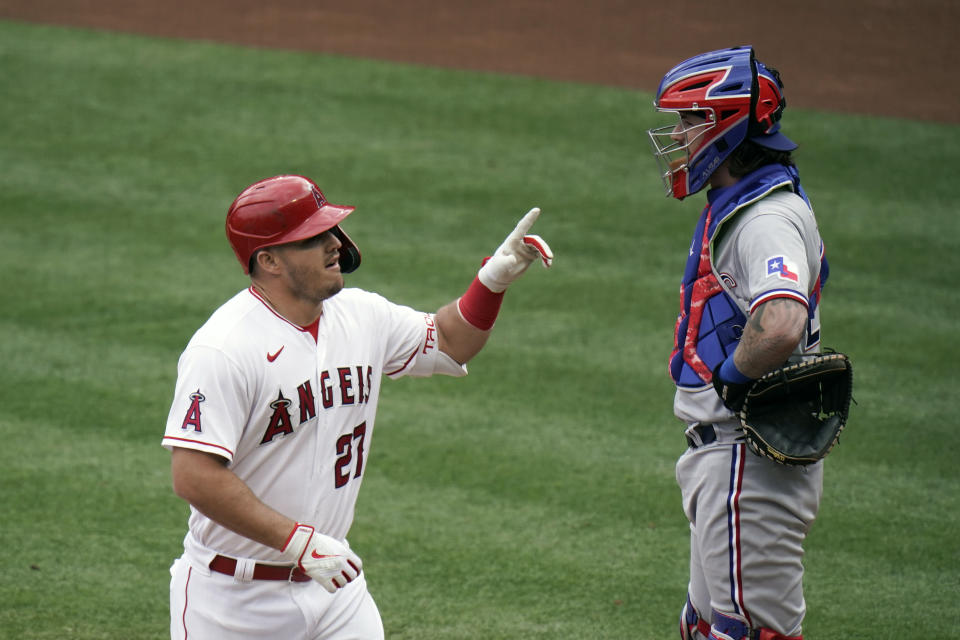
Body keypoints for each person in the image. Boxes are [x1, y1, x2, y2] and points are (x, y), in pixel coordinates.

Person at [162, 174, 552, 639]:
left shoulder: (361, 315)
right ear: (268, 261)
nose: (334, 244)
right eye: (313, 238)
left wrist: (492, 279)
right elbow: (193, 474)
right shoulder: (225, 348)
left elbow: (449, 340)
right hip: (232, 601)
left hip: (335, 592)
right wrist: (297, 542)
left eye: (331, 231)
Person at [646, 46, 830, 640]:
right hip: (728, 458)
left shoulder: (766, 220)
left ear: (727, 124)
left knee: (750, 634)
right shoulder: (748, 205)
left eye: (690, 119)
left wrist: (734, 376)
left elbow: (780, 323)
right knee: (705, 627)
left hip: (746, 454)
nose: (678, 134)